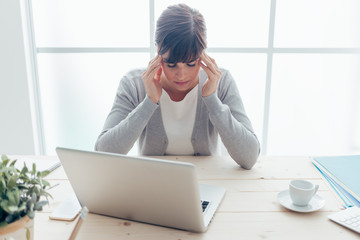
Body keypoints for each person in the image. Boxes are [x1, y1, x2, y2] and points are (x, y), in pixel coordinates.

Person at [95, 4, 260, 169]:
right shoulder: (134, 84)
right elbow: (104, 152)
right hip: (151, 182)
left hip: (207, 183)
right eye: (171, 64)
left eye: (190, 63)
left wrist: (212, 100)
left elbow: (250, 157)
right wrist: (149, 102)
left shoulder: (221, 82)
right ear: (157, 50)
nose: (181, 75)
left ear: (202, 53)